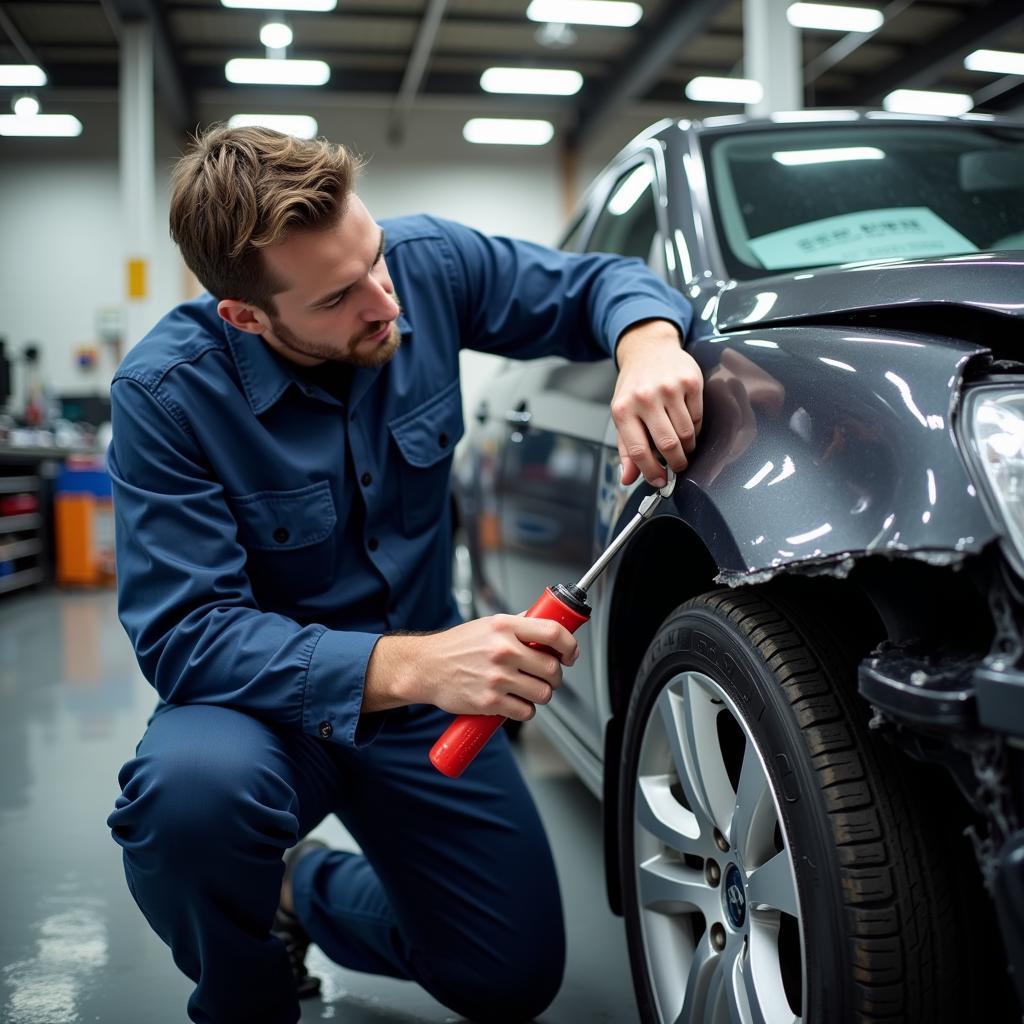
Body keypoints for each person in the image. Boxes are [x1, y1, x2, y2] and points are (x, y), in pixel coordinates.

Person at [106, 125, 702, 1024]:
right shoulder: (166, 396)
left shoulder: (424, 264)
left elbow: (598, 282)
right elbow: (187, 636)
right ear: (247, 316)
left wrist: (649, 345)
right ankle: (251, 995)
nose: (386, 302)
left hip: (428, 708)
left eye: (375, 259)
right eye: (341, 297)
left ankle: (297, 893)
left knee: (508, 976)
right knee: (187, 801)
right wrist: (415, 666)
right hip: (265, 713)